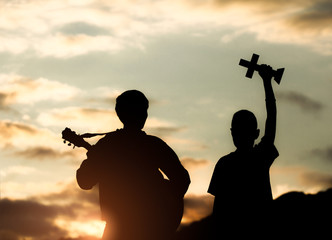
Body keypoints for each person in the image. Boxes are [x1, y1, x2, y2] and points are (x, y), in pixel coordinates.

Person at [76, 90, 191, 240]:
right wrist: (163, 207)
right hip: (152, 228)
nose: (144, 115)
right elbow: (182, 180)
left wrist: (93, 158)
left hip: (119, 230)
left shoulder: (106, 146)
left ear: (119, 114)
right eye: (142, 111)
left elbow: (84, 181)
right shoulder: (153, 145)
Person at [208, 65, 279, 238]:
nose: (239, 134)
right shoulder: (258, 158)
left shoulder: (228, 163)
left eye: (241, 130)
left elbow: (217, 211)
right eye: (237, 130)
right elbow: (271, 121)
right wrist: (267, 82)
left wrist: (267, 83)